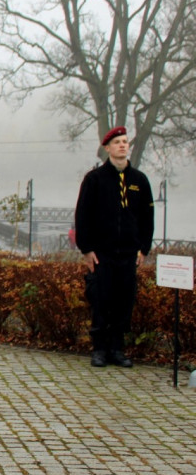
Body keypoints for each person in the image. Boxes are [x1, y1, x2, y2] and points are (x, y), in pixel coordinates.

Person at [74, 126, 154, 369]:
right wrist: (86, 249)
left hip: (128, 254)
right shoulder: (95, 179)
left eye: (125, 141)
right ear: (107, 148)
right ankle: (99, 349)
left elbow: (147, 217)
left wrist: (143, 248)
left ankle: (117, 349)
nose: (122, 145)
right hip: (102, 254)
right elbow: (83, 215)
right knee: (101, 300)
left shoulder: (139, 180)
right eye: (117, 142)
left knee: (123, 302)